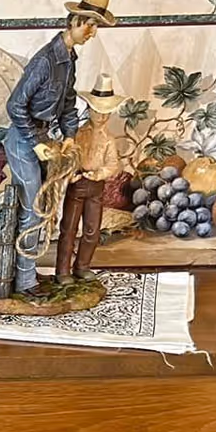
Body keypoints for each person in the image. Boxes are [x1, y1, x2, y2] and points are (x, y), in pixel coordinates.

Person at [2, 0, 117, 294]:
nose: (93, 32)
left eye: (96, 26)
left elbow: (66, 103)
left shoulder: (68, 59)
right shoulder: (45, 61)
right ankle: (24, 281)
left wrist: (68, 136)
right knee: (35, 207)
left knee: (45, 205)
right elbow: (15, 106)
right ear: (74, 22)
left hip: (43, 138)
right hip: (23, 141)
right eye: (89, 25)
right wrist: (36, 141)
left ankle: (27, 275)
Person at [55, 74, 130, 281]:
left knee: (91, 231)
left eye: (106, 113)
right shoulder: (78, 134)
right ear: (89, 110)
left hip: (96, 187)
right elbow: (67, 157)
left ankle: (82, 266)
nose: (102, 117)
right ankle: (62, 271)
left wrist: (99, 174)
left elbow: (114, 164)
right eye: (97, 112)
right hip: (77, 184)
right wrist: (69, 174)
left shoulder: (109, 140)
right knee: (68, 229)